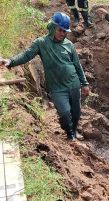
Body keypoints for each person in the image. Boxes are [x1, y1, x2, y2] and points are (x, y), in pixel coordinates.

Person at [0, 12, 90, 141]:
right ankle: (69, 133)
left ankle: (73, 131)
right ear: (52, 27)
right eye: (60, 30)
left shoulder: (69, 45)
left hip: (74, 84)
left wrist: (84, 83)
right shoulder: (41, 43)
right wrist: (11, 61)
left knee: (76, 113)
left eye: (65, 31)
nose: (63, 33)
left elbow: (77, 65)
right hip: (57, 87)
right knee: (64, 112)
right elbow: (26, 55)